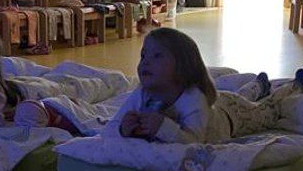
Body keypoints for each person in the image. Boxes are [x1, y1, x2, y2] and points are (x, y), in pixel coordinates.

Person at [102, 27, 291, 144]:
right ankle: (257, 86)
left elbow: (194, 142)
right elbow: (108, 131)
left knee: (268, 112)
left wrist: (163, 127)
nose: (145, 62)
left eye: (157, 56)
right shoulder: (142, 93)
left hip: (232, 116)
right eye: (143, 55)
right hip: (220, 103)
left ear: (182, 65)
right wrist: (123, 129)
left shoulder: (193, 98)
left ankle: (289, 87)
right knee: (242, 97)